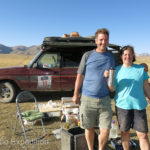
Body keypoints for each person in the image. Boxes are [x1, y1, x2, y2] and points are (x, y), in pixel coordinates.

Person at [72, 28, 115, 150]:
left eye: (106, 40)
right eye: (101, 39)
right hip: (87, 99)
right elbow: (80, 75)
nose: (103, 42)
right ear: (96, 41)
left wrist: (142, 66)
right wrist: (75, 94)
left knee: (106, 130)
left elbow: (125, 63)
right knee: (89, 128)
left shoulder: (111, 56)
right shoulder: (87, 55)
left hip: (104, 99)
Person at [109, 45, 150, 150]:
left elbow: (146, 86)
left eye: (130, 54)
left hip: (139, 106)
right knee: (124, 133)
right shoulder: (116, 71)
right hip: (122, 106)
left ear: (133, 55)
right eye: (125, 54)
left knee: (143, 135)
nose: (127, 56)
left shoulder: (141, 69)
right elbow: (112, 89)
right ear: (122, 56)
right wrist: (109, 81)